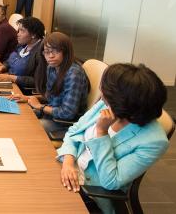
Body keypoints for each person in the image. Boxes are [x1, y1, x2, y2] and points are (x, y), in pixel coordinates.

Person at [57, 63, 169, 214]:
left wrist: (102, 132)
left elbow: (111, 181)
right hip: (67, 168)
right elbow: (73, 131)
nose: (101, 93)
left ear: (122, 100)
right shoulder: (107, 104)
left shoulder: (154, 141)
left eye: (105, 90)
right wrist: (68, 163)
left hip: (89, 192)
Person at [9, 32, 89, 134]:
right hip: (51, 114)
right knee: (18, 116)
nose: (50, 56)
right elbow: (50, 96)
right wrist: (27, 98)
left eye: (56, 51)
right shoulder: (52, 67)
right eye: (47, 52)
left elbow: (67, 113)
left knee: (25, 128)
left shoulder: (74, 74)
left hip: (65, 123)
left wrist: (39, 106)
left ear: (66, 52)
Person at [0, 17, 45, 94]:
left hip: (22, 92)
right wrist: (4, 66)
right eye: (18, 30)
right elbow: (10, 60)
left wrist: (12, 78)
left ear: (33, 35)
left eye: (22, 31)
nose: (18, 34)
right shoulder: (22, 45)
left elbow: (38, 81)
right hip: (11, 84)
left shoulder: (42, 53)